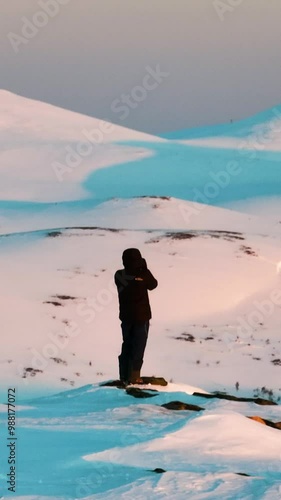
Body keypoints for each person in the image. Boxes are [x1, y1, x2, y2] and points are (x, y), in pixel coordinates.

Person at [114, 248, 158, 384]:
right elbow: (153, 285)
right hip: (142, 316)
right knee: (139, 345)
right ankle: (134, 376)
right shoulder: (143, 273)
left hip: (126, 316)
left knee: (127, 344)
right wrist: (143, 267)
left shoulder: (119, 275)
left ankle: (124, 376)